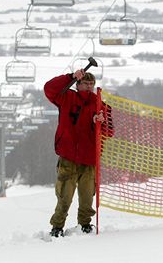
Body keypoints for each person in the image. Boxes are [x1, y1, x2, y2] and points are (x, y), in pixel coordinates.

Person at [44, 69, 105, 237]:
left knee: (87, 197)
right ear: (77, 85)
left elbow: (109, 131)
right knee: (64, 196)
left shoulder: (100, 104)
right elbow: (49, 89)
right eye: (85, 83)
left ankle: (85, 224)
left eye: (92, 84)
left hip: (89, 158)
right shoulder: (66, 97)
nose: (89, 86)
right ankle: (57, 227)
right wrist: (69, 77)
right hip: (68, 157)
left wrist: (99, 123)